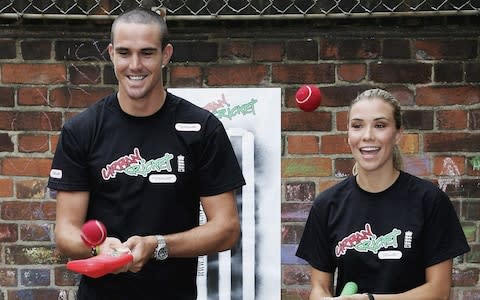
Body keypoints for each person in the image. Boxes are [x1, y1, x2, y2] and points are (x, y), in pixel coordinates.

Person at [48, 7, 245, 300]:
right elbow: (65, 231)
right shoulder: (83, 130)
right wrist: (99, 248)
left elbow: (227, 229)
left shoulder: (202, 128)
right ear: (111, 54)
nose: (135, 65)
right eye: (125, 53)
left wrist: (158, 245)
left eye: (147, 53)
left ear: (166, 55)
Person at [296, 88, 470, 300]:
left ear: (398, 134)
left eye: (380, 125)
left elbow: (439, 292)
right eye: (357, 126)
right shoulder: (327, 205)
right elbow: (319, 288)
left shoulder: (430, 201)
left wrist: (371, 299)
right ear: (348, 135)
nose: (367, 136)